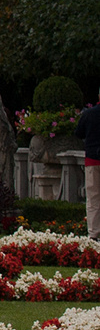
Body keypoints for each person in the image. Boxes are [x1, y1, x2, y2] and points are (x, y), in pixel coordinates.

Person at [77, 87, 100, 241]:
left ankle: (94, 233)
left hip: (93, 159)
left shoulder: (89, 114)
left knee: (93, 198)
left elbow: (78, 133)